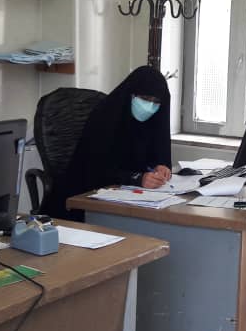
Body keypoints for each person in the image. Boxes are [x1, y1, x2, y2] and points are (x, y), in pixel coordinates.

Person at [43, 66, 172, 221]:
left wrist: (160, 167)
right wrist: (137, 178)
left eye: (156, 102)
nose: (150, 106)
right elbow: (95, 170)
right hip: (82, 201)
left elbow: (155, 156)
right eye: (145, 98)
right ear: (131, 94)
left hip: (131, 200)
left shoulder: (153, 122)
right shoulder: (105, 117)